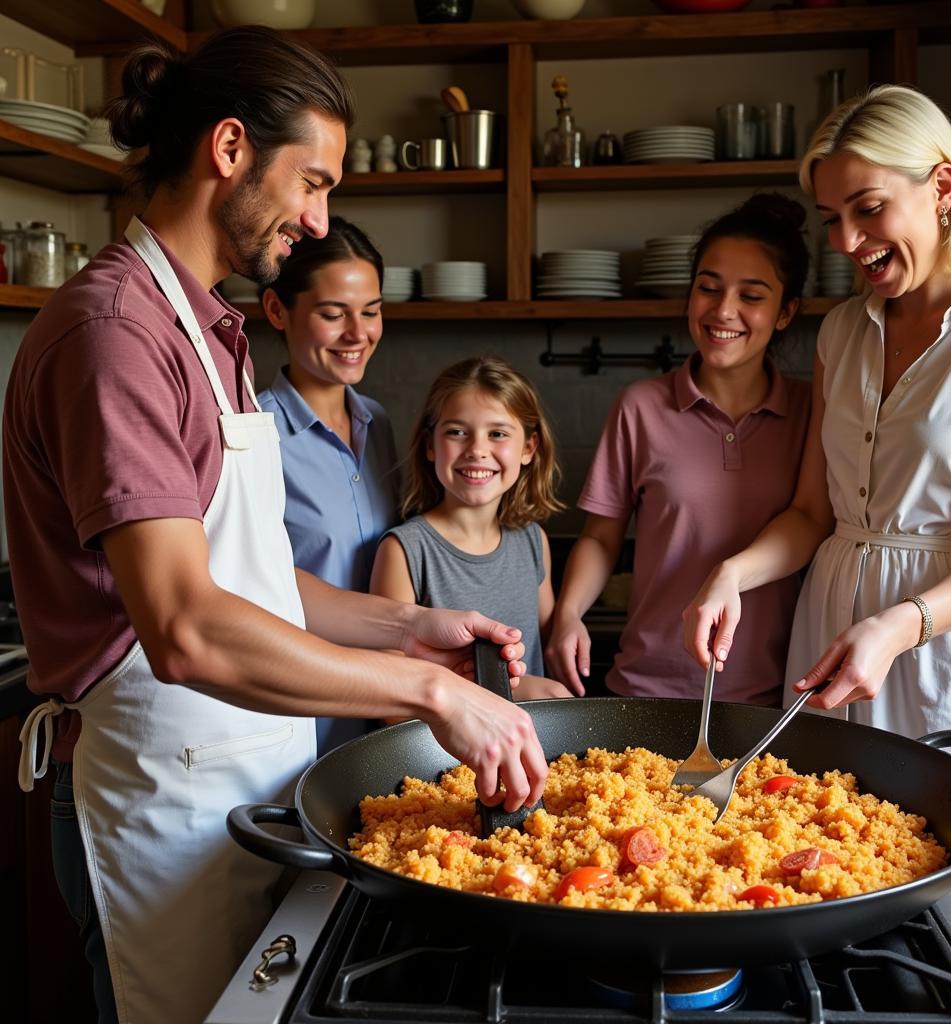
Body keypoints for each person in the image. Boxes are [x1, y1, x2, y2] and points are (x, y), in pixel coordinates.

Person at [3, 28, 546, 1024]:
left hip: (241, 783)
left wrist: (403, 627)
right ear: (228, 151)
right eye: (312, 182)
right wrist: (428, 692)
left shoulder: (206, 331)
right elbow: (186, 626)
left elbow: (242, 579)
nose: (318, 217)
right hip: (158, 793)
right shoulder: (115, 335)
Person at [682, 85, 951, 813]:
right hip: (831, 628)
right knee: (815, 849)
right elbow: (812, 513)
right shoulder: (842, 331)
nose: (844, 242)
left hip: (945, 642)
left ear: (940, 187)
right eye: (832, 219)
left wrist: (899, 624)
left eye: (867, 209)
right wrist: (731, 575)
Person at [546, 195, 811, 705]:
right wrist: (568, 614)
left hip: (771, 696)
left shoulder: (812, 410)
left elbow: (814, 522)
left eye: (751, 296)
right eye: (708, 288)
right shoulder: (640, 407)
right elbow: (601, 539)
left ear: (786, 312)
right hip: (647, 687)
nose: (723, 310)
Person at [258, 216, 400, 754]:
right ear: (277, 310)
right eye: (332, 314)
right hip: (301, 716)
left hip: (386, 708)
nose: (357, 333)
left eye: (371, 311)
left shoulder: (379, 423)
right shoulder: (256, 436)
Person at [371, 357, 574, 701]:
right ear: (430, 445)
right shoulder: (404, 551)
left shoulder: (533, 541)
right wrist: (516, 692)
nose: (477, 450)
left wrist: (572, 621)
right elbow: (390, 700)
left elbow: (547, 644)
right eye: (457, 432)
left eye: (497, 434)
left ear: (528, 448)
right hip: (441, 753)